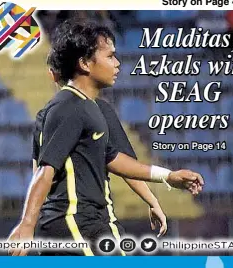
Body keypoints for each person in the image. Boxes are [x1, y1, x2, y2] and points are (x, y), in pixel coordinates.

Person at [7, 20, 204, 256]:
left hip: (81, 224)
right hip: (77, 223)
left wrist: (167, 177)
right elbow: (44, 171)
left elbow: (114, 159)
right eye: (110, 56)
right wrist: (27, 226)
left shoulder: (85, 108)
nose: (117, 64)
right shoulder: (69, 108)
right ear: (84, 63)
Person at [33, 66, 169, 245]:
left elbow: (38, 174)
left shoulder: (43, 116)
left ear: (52, 74)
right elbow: (125, 165)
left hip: (52, 223)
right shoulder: (97, 109)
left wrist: (32, 222)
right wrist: (153, 201)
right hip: (88, 220)